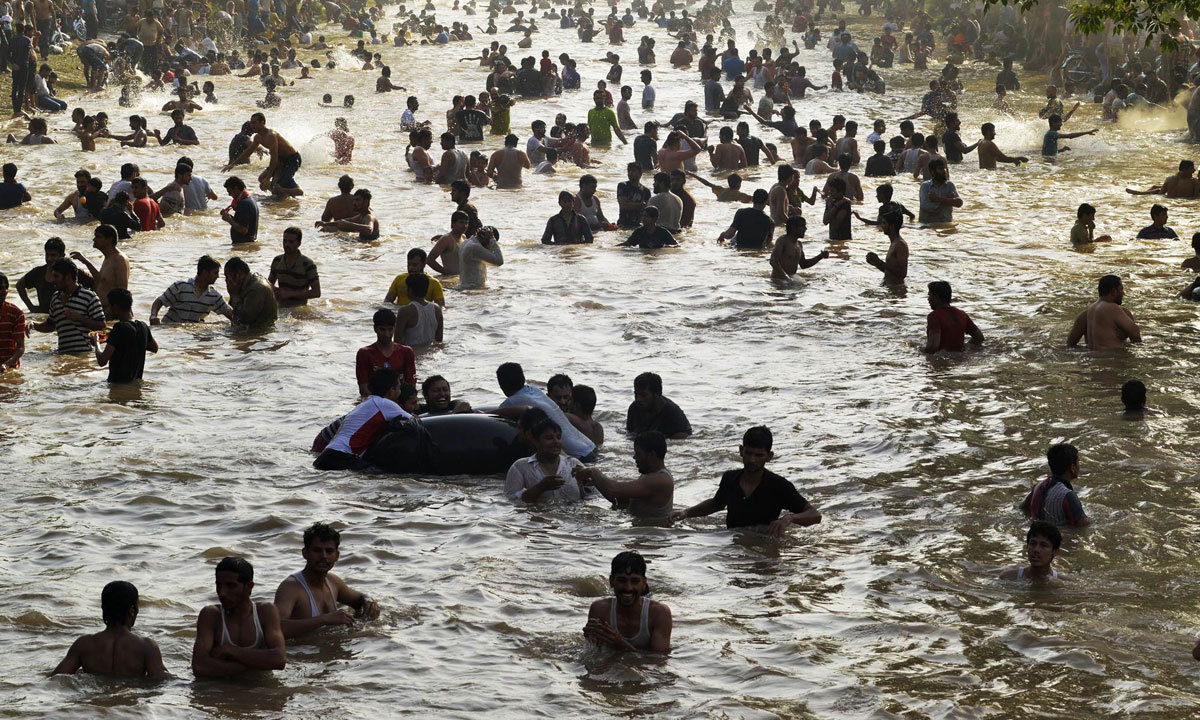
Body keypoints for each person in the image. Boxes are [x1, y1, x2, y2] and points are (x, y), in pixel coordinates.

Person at [668, 426, 821, 535]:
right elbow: (716, 503)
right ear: (741, 451)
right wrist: (686, 512)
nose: (752, 460)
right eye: (748, 453)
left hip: (763, 543)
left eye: (759, 455)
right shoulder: (730, 478)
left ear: (769, 456)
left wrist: (789, 518)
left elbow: (814, 515)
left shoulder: (778, 485)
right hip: (733, 540)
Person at [273, 522, 380, 638]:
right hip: (305, 652)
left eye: (329, 551)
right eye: (317, 550)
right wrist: (324, 619)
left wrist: (368, 601)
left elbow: (359, 600)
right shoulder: (290, 588)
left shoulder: (333, 582)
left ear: (337, 556)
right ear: (305, 553)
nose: (324, 556)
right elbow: (276, 628)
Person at [191, 557, 287, 678]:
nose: (222, 593)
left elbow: (279, 660)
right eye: (219, 585)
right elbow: (199, 667)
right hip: (220, 691)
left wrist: (230, 650)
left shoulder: (265, 612)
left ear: (249, 586)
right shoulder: (211, 615)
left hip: (260, 690)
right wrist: (258, 665)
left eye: (231, 586)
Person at [51, 581, 168, 678]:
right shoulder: (146, 646)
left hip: (95, 701)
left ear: (103, 609)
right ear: (132, 610)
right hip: (128, 703)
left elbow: (57, 678)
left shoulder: (84, 644)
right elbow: (160, 680)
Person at [314, 368, 412, 470]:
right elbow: (415, 422)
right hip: (341, 457)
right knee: (381, 475)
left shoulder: (366, 403)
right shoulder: (385, 404)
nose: (400, 392)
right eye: (399, 388)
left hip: (325, 456)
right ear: (391, 390)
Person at [496, 362, 597, 461]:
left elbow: (495, 415)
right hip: (590, 447)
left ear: (501, 385)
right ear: (523, 378)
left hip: (579, 457)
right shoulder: (535, 391)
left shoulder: (513, 401)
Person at [582, 551, 672, 653]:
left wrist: (620, 644)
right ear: (611, 581)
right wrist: (592, 641)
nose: (628, 587)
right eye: (621, 580)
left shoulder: (659, 613)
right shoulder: (599, 610)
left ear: (643, 583)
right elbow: (594, 657)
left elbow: (659, 661)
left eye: (634, 581)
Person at [573, 431, 673, 517]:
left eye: (638, 454)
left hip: (652, 537)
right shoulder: (649, 476)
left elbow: (614, 489)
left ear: (651, 455)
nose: (634, 458)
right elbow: (619, 500)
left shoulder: (660, 480)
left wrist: (593, 472)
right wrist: (595, 481)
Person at [504, 417, 588, 503]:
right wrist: (541, 487)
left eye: (558, 437)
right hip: (538, 515)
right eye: (549, 438)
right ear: (535, 441)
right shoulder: (520, 467)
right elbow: (510, 501)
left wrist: (586, 482)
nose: (556, 442)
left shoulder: (573, 464)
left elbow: (594, 496)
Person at [30, 259, 105, 354]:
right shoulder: (55, 298)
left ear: (68, 277)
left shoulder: (89, 296)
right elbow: (50, 325)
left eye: (56, 276)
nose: (52, 280)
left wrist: (80, 318)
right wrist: (33, 325)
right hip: (63, 358)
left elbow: (102, 326)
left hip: (84, 357)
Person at [222, 112, 304, 197]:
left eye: (254, 123)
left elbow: (274, 158)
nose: (252, 126)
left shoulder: (271, 135)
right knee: (261, 179)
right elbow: (248, 152)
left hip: (292, 159)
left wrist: (268, 178)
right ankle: (279, 193)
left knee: (279, 183)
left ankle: (291, 191)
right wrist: (233, 164)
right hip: (280, 160)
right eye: (251, 123)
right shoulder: (257, 137)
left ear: (263, 123)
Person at [92, 288, 157, 383]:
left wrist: (96, 341)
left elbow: (102, 361)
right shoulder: (143, 326)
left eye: (109, 306)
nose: (108, 310)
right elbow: (154, 348)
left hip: (117, 386)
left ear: (116, 308)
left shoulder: (119, 328)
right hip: (135, 388)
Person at [1019, 443, 1090, 527]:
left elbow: (1023, 508)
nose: (1079, 465)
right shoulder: (1068, 495)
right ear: (1072, 467)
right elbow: (1082, 525)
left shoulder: (1038, 487)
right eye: (1078, 461)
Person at [151, 256, 233, 324]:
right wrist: (153, 316)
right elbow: (159, 301)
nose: (217, 276)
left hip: (191, 339)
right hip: (170, 333)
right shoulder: (180, 286)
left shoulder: (214, 296)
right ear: (205, 273)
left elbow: (230, 314)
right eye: (215, 273)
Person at [1067, 274, 1141, 351]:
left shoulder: (1086, 313)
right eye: (1121, 289)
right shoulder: (1112, 308)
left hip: (1091, 358)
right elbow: (1135, 332)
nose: (1123, 293)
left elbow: (1070, 343)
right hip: (1112, 358)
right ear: (1114, 291)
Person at [70, 225, 129, 320]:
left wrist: (108, 313)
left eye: (98, 236)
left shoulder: (119, 259)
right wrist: (84, 261)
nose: (94, 239)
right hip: (102, 314)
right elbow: (101, 280)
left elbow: (123, 292)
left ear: (109, 239)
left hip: (113, 317)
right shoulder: (108, 257)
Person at [356, 308, 416, 394]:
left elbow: (411, 386)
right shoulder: (364, 354)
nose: (386, 334)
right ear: (375, 329)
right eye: (382, 330)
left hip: (399, 400)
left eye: (390, 329)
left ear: (394, 328)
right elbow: (364, 390)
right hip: (375, 400)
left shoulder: (406, 352)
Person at [625, 372, 690, 439]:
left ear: (657, 394)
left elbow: (681, 439)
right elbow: (630, 433)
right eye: (636, 394)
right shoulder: (634, 408)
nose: (638, 399)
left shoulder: (672, 413)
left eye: (643, 395)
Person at [268, 227, 321, 307]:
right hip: (280, 306)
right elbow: (269, 284)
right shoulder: (277, 260)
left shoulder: (308, 264)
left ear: (299, 243)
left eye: (291, 242)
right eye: (284, 241)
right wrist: (274, 289)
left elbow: (316, 292)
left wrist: (290, 294)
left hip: (299, 309)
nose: (286, 244)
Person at [924, 281, 983, 353]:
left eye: (930, 296)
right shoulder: (962, 314)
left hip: (943, 360)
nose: (928, 299)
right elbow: (979, 338)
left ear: (937, 297)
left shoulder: (934, 316)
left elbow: (933, 347)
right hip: (960, 358)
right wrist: (966, 347)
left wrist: (919, 353)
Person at [998, 521, 1067, 581]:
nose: (1036, 549)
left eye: (1043, 545)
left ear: (1055, 551)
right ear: (1027, 546)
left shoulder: (1065, 584)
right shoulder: (1007, 577)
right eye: (1032, 543)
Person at [223, 257, 278, 329]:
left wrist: (234, 295)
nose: (226, 280)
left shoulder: (256, 288)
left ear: (239, 274)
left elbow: (246, 318)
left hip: (261, 330)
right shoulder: (248, 282)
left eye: (228, 276)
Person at [770, 215, 828, 281]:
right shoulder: (782, 241)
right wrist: (786, 277)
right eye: (802, 226)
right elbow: (773, 261)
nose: (805, 229)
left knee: (822, 280)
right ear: (793, 228)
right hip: (778, 280)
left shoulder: (799, 244)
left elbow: (804, 264)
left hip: (790, 279)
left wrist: (820, 256)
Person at [394, 273, 443, 345]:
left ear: (410, 290)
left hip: (412, 354)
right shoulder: (437, 309)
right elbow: (439, 340)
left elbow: (398, 342)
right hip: (431, 354)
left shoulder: (405, 311)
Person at [864, 211, 908, 284]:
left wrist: (879, 262)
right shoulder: (894, 243)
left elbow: (902, 273)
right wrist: (876, 263)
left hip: (896, 289)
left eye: (884, 223)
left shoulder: (900, 245)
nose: (881, 225)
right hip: (889, 286)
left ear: (892, 226)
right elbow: (889, 271)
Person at [1126, 160, 1200, 198]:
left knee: (1157, 189)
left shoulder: (1169, 179)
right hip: (1182, 205)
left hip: (1169, 200)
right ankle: (1140, 193)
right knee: (1157, 189)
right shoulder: (1194, 183)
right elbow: (1195, 199)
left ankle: (1141, 193)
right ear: (1185, 169)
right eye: (1192, 169)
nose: (1194, 171)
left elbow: (1161, 195)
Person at [917, 159, 960, 224]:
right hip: (927, 226)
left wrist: (937, 199)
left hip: (946, 223)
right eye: (940, 169)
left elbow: (959, 203)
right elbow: (925, 206)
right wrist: (950, 201)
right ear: (932, 172)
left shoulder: (950, 185)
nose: (944, 171)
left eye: (944, 168)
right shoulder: (925, 186)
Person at [0, 272, 26, 373]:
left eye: (2, 288)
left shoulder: (16, 314)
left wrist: (6, 364)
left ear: (7, 290)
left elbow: (20, 347)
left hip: (10, 369)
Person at [221, 177, 259, 244]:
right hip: (248, 244)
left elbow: (243, 230)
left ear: (235, 188)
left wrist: (229, 219)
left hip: (243, 244)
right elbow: (242, 223)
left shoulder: (244, 204)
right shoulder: (249, 200)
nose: (229, 194)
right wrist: (229, 217)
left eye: (229, 191)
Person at [822, 176, 852, 241]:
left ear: (840, 192)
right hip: (833, 239)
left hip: (843, 240)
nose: (829, 193)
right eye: (829, 190)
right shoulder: (830, 201)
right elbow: (825, 221)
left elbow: (834, 226)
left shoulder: (845, 203)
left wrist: (835, 206)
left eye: (832, 191)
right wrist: (831, 206)